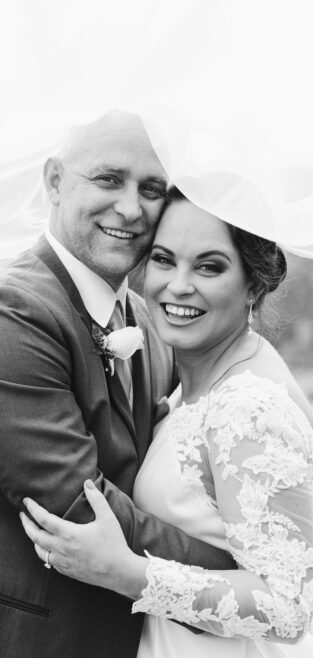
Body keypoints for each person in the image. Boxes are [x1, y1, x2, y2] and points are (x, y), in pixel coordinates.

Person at [22, 187, 313, 658]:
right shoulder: (202, 378)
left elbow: (288, 607)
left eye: (208, 266)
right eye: (163, 259)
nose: (178, 284)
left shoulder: (249, 407)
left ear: (254, 284)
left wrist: (126, 572)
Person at [0, 115, 236, 658]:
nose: (131, 208)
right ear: (55, 182)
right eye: (109, 179)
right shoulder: (16, 311)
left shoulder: (147, 319)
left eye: (151, 189)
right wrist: (241, 576)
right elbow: (79, 507)